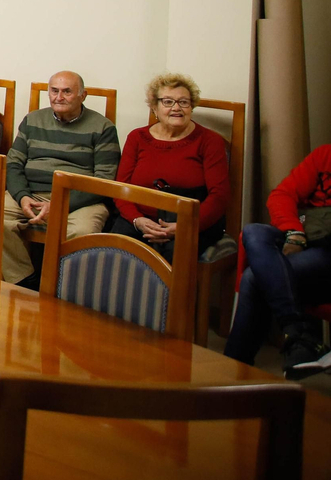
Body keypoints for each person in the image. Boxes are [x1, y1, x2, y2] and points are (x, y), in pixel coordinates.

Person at [1, 71, 120, 285]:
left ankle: (66, 290)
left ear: (83, 96)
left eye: (67, 92)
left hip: (79, 199)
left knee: (82, 232)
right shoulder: (33, 120)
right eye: (54, 91)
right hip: (32, 193)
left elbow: (104, 180)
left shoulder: (103, 128)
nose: (59, 97)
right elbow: (13, 163)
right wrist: (22, 196)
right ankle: (25, 282)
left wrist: (59, 204)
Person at [224, 143, 331, 377]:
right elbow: (282, 194)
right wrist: (295, 232)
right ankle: (301, 337)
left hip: (326, 254)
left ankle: (232, 370)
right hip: (304, 236)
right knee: (253, 232)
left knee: (255, 277)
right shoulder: (325, 155)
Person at [107, 73, 229, 259]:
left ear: (192, 107)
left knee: (171, 259)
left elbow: (219, 196)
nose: (176, 108)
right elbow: (121, 188)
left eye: (183, 102)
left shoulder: (210, 141)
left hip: (192, 223)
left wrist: (185, 226)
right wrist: (137, 220)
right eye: (168, 102)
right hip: (140, 219)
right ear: (154, 107)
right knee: (114, 254)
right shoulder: (137, 138)